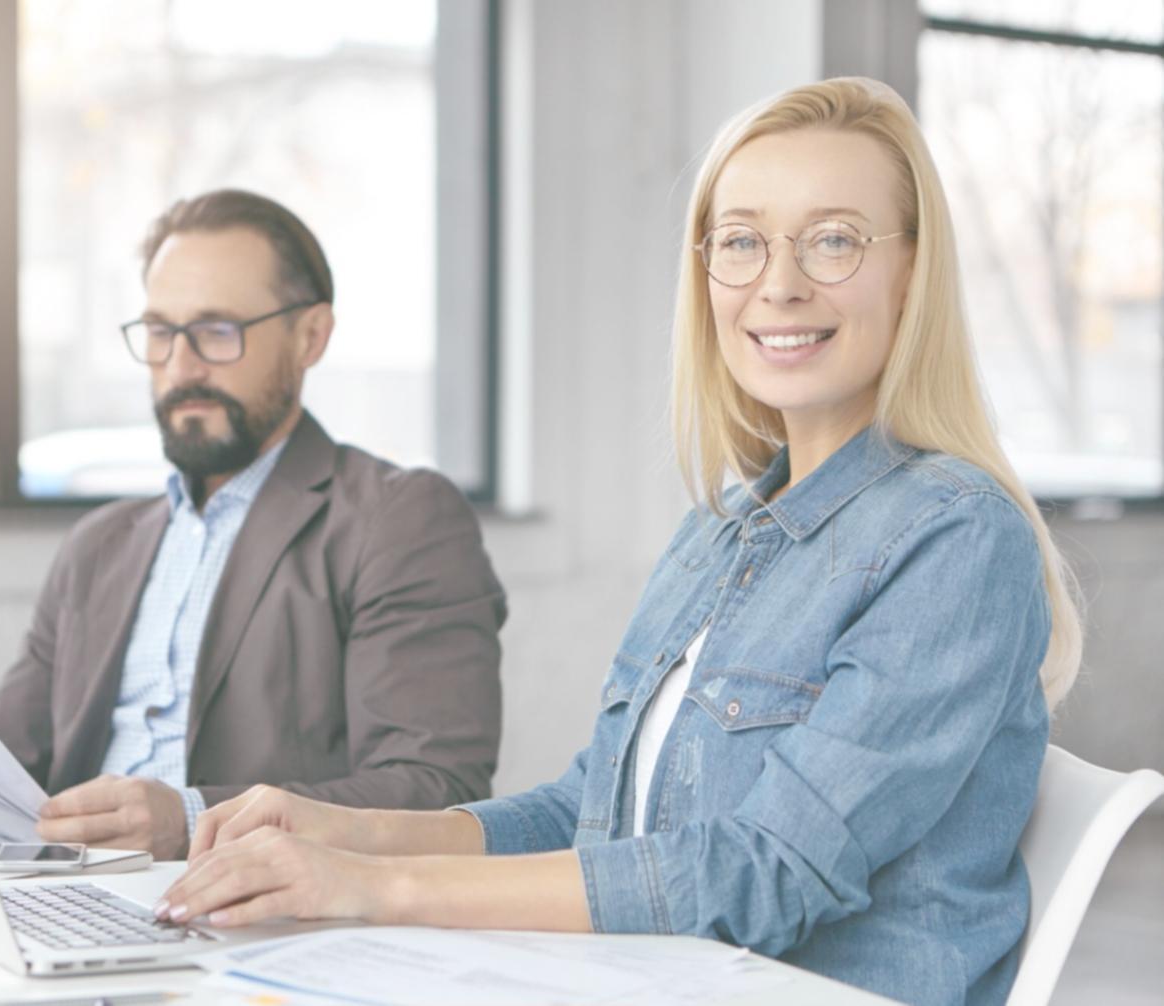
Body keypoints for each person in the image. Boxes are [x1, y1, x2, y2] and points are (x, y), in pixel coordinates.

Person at [153, 80, 1085, 1006]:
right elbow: (589, 813)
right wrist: (348, 836)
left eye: (833, 240)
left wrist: (377, 891)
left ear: (914, 273)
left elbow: (766, 872)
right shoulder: (720, 531)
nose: (779, 282)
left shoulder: (957, 535)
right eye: (741, 242)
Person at [0, 189, 507, 861]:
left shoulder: (397, 521)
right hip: (71, 899)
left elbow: (432, 791)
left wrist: (190, 820)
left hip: (260, 914)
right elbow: (4, 760)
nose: (181, 367)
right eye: (159, 332)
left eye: (216, 332)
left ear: (310, 337)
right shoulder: (101, 546)